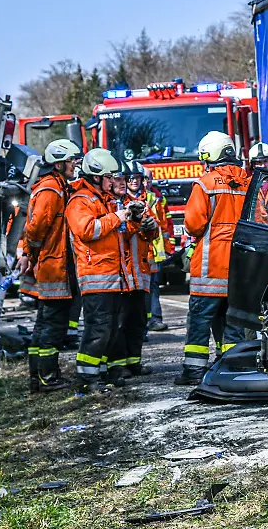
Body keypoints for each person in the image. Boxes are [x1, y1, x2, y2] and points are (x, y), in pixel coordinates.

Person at [176, 131, 250, 386]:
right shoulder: (248, 183)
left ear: (210, 156)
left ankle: (193, 371)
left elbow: (193, 224)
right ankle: (231, 366)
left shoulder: (206, 184)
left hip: (209, 271)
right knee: (232, 324)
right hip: (239, 272)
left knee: (199, 322)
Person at [65, 148, 135, 393]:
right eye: (109, 177)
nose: (113, 181)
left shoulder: (103, 199)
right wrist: (117, 217)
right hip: (95, 277)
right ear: (96, 177)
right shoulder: (80, 201)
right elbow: (88, 230)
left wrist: (131, 217)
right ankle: (87, 378)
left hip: (112, 276)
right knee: (98, 328)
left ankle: (110, 371)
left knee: (113, 326)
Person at [20, 138, 82, 392]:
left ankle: (39, 376)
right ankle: (48, 377)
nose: (75, 165)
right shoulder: (50, 190)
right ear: (58, 163)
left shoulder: (59, 186)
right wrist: (31, 254)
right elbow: (35, 230)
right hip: (53, 267)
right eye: (71, 161)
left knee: (45, 324)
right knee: (53, 326)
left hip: (54, 265)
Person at [108, 161, 157, 380]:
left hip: (137, 275)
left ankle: (134, 362)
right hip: (117, 275)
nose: (124, 183)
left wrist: (151, 227)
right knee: (118, 322)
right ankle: (117, 366)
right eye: (120, 179)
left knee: (137, 321)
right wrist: (135, 223)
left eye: (126, 179)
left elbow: (152, 230)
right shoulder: (108, 206)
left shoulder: (136, 203)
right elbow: (117, 233)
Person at [140, 167, 174, 332]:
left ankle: (154, 319)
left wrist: (169, 248)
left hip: (153, 251)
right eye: (143, 179)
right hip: (139, 252)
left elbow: (166, 225)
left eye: (148, 179)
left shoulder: (158, 198)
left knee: (153, 286)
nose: (146, 183)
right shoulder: (133, 198)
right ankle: (143, 322)